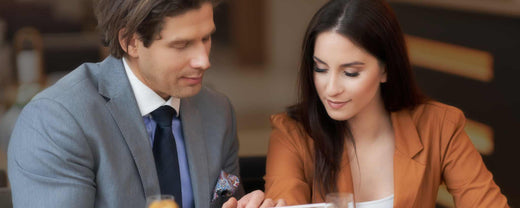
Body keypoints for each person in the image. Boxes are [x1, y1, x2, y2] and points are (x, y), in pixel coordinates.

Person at [237, 0, 509, 207]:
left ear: (386, 70)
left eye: (350, 72)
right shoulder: (292, 133)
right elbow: (288, 201)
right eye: (320, 69)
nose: (330, 88)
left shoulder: (438, 125)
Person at [7, 0, 244, 207]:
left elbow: (226, 198)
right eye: (182, 45)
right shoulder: (58, 120)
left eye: (206, 38)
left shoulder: (218, 112)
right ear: (130, 42)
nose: (204, 60)